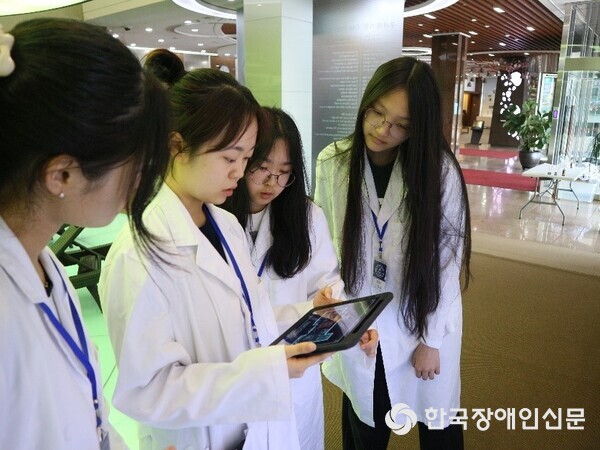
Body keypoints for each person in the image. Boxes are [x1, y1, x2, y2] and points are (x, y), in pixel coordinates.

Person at [99, 70, 334, 450]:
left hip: (261, 426)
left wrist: (309, 314)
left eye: (246, 158)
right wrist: (257, 375)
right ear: (177, 146)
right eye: (230, 157)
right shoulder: (138, 255)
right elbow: (148, 391)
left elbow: (251, 319)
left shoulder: (225, 224)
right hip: (204, 437)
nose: (239, 172)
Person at [0, 18, 170, 449]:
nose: (140, 182)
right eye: (134, 163)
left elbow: (82, 416)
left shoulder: (44, 263)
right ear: (63, 175)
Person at [314, 56, 472, 449]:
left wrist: (431, 339)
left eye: (402, 125)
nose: (383, 130)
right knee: (365, 417)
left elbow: (446, 262)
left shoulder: (439, 172)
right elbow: (325, 244)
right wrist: (336, 303)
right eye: (377, 112)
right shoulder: (334, 162)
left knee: (437, 421)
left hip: (421, 315)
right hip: (363, 316)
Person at [222, 106, 378, 450]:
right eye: (262, 169)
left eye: (284, 173)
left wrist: (345, 317)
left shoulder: (306, 217)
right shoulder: (216, 218)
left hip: (295, 370)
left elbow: (327, 283)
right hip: (235, 368)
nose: (272, 183)